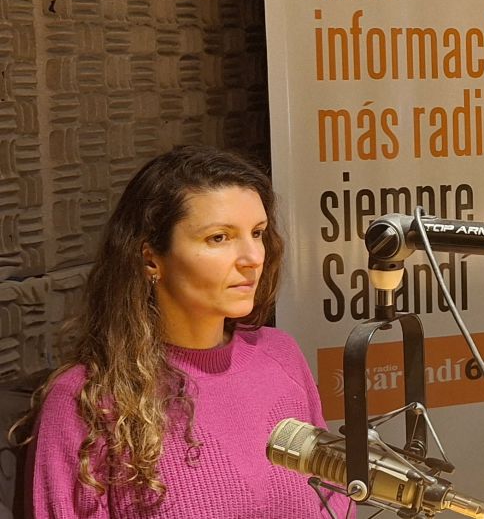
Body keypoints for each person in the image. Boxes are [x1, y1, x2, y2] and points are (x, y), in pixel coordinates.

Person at [12, 146, 351, 518]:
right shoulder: (87, 399)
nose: (253, 257)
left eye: (257, 233)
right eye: (219, 238)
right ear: (150, 259)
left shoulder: (281, 355)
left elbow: (335, 497)